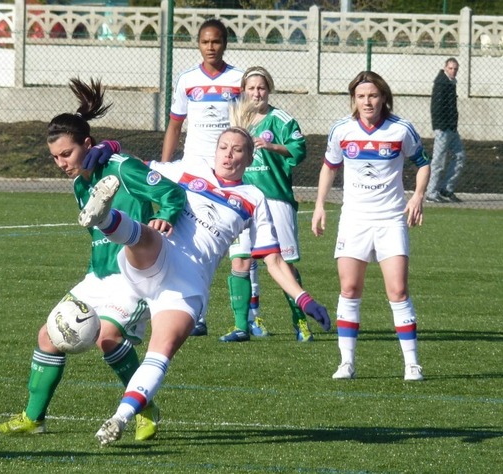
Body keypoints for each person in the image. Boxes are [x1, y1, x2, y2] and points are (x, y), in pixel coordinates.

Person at [79, 124, 332, 446]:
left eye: (238, 149)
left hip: (189, 283)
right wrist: (113, 147)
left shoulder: (253, 199)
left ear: (249, 157)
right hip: (162, 254)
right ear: (215, 151)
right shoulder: (190, 168)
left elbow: (273, 261)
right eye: (224, 147)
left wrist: (305, 300)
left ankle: (120, 418)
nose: (229, 154)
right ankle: (103, 218)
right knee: (149, 235)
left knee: (161, 352)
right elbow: (137, 167)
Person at [0, 77, 186, 438]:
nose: (62, 163)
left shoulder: (122, 167)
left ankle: (145, 407)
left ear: (87, 145)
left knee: (106, 337)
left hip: (133, 277)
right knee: (48, 336)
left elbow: (171, 192)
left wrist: (165, 217)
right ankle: (33, 419)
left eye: (67, 154)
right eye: (55, 157)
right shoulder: (80, 184)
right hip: (98, 277)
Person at [311, 71, 430, 382]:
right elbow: (329, 166)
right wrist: (320, 205)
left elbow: (423, 163)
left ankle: (412, 364)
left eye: (373, 96)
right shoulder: (341, 130)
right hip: (354, 220)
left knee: (398, 290)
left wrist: (417, 196)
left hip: (390, 220)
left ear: (383, 98)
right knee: (349, 289)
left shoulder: (401, 130)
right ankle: (346, 363)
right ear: (354, 99)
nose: (367, 101)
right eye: (361, 96)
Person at [161, 18, 244, 336]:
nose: (211, 47)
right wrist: (166, 166)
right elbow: (174, 125)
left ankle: (249, 316)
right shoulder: (187, 81)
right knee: (192, 242)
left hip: (230, 170)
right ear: (198, 44)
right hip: (194, 171)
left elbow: (247, 125)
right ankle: (195, 315)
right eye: (206, 42)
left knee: (239, 244)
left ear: (225, 43)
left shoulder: (238, 79)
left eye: (217, 41)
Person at [220, 66, 314, 343]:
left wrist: (272, 147)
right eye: (251, 88)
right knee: (241, 260)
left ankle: (300, 322)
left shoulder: (281, 120)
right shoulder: (238, 120)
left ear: (268, 89)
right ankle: (242, 325)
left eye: (261, 87)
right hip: (243, 199)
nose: (256, 93)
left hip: (275, 199)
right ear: (244, 91)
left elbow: (300, 150)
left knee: (284, 263)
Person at [426, 57, 466, 203]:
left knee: (460, 156)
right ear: (445, 68)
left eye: (455, 69)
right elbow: (436, 108)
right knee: (438, 161)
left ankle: (447, 189)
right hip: (443, 129)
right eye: (450, 68)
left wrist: (452, 127)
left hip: (451, 128)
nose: (453, 71)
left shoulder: (450, 83)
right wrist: (441, 127)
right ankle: (431, 192)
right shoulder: (441, 84)